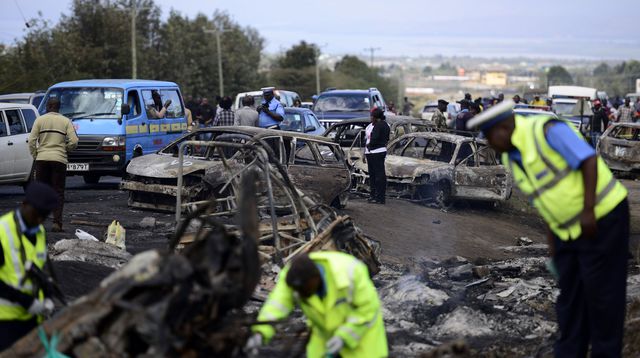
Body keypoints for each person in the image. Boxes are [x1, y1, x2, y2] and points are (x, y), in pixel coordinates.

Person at [468, 100, 629, 358]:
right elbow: (545, 202)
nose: (488, 143)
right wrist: (554, 250)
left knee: (603, 301)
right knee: (570, 302)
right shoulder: (512, 157)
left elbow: (588, 161)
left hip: (602, 219)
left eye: (489, 136)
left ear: (504, 127)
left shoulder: (547, 130)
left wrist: (588, 211)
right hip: (567, 233)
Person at [247, 252, 388, 358]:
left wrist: (343, 336)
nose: (301, 296)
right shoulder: (292, 277)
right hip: (324, 341)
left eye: (304, 290)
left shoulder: (350, 273)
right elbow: (276, 307)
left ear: (315, 279)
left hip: (362, 341)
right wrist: (260, 332)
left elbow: (367, 310)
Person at [0, 182, 59, 351]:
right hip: (5, 322)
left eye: (45, 216)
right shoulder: (3, 231)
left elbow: (39, 269)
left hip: (32, 319)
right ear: (24, 205)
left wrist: (47, 295)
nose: (40, 220)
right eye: (37, 214)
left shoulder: (39, 231)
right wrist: (26, 301)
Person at [28, 98, 78, 232]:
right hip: (59, 160)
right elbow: (74, 141)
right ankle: (57, 223)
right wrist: (66, 149)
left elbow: (31, 141)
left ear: (48, 106)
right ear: (58, 107)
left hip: (42, 159)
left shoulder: (39, 120)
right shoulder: (66, 121)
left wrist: (36, 155)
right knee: (58, 192)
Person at [365, 108, 390, 204]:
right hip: (381, 151)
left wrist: (369, 144)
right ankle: (380, 197)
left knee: (375, 176)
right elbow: (386, 138)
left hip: (375, 153)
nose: (371, 118)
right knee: (380, 175)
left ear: (376, 117)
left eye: (372, 116)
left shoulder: (378, 126)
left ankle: (377, 197)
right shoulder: (386, 125)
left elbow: (374, 139)